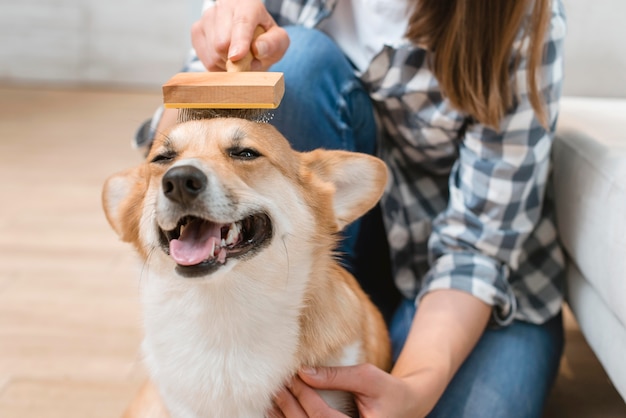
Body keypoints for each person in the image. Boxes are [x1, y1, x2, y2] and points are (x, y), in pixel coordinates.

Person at [138, 0, 567, 416]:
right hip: (308, 279)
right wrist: (213, 78)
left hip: (466, 291)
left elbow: (477, 250)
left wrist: (415, 390)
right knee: (299, 63)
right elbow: (164, 167)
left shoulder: (519, 13)